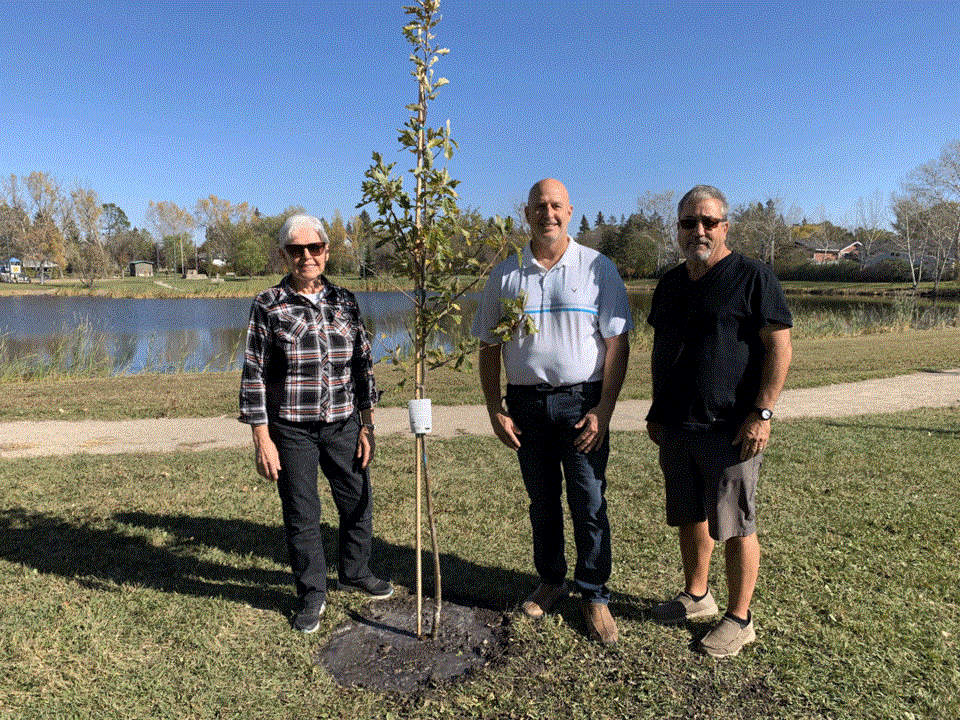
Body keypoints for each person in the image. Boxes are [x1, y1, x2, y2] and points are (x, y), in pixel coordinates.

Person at [471, 178, 632, 646]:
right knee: (542, 501)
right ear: (527, 213)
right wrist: (493, 407)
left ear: (570, 211)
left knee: (588, 499)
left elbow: (617, 345)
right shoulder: (506, 275)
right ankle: (551, 581)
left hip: (582, 403)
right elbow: (488, 346)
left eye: (557, 205)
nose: (549, 213)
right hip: (525, 406)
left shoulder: (597, 268)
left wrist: (604, 407)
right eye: (540, 206)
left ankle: (595, 594)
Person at [645, 185, 793, 658]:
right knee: (690, 515)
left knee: (736, 525)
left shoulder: (752, 276)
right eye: (690, 223)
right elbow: (663, 351)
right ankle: (697, 596)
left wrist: (762, 413)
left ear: (725, 226)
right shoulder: (669, 284)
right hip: (679, 425)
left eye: (709, 222)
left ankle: (740, 618)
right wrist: (657, 408)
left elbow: (780, 347)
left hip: (732, 428)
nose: (699, 231)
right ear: (680, 229)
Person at [239, 214, 393, 634]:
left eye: (314, 248)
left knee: (357, 500)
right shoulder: (268, 303)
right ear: (286, 255)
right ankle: (311, 593)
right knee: (302, 513)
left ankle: (355, 570)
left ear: (327, 251)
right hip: (292, 428)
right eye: (296, 250)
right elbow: (253, 373)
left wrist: (368, 424)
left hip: (343, 423)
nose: (306, 257)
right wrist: (261, 439)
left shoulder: (345, 300)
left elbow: (363, 365)